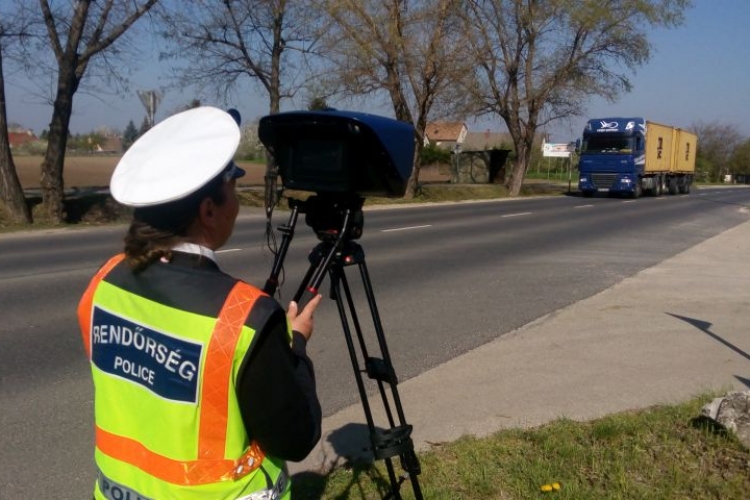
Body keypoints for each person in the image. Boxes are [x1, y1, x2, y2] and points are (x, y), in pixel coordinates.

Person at [77, 106, 323, 500]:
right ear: (209, 211)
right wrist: (297, 345)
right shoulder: (244, 318)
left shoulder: (104, 282)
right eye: (233, 191)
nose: (237, 203)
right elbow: (295, 437)